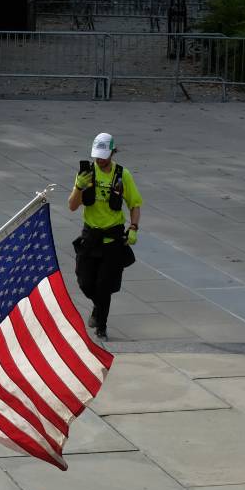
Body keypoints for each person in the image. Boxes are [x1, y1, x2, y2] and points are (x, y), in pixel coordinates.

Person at [68, 132, 142, 340]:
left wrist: (134, 227)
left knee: (104, 285)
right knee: (85, 282)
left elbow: (135, 204)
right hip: (90, 237)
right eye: (96, 156)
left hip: (112, 239)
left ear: (112, 152)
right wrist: (78, 187)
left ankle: (102, 325)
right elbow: (72, 206)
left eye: (103, 156)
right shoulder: (86, 174)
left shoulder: (122, 175)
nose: (99, 160)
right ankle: (97, 307)